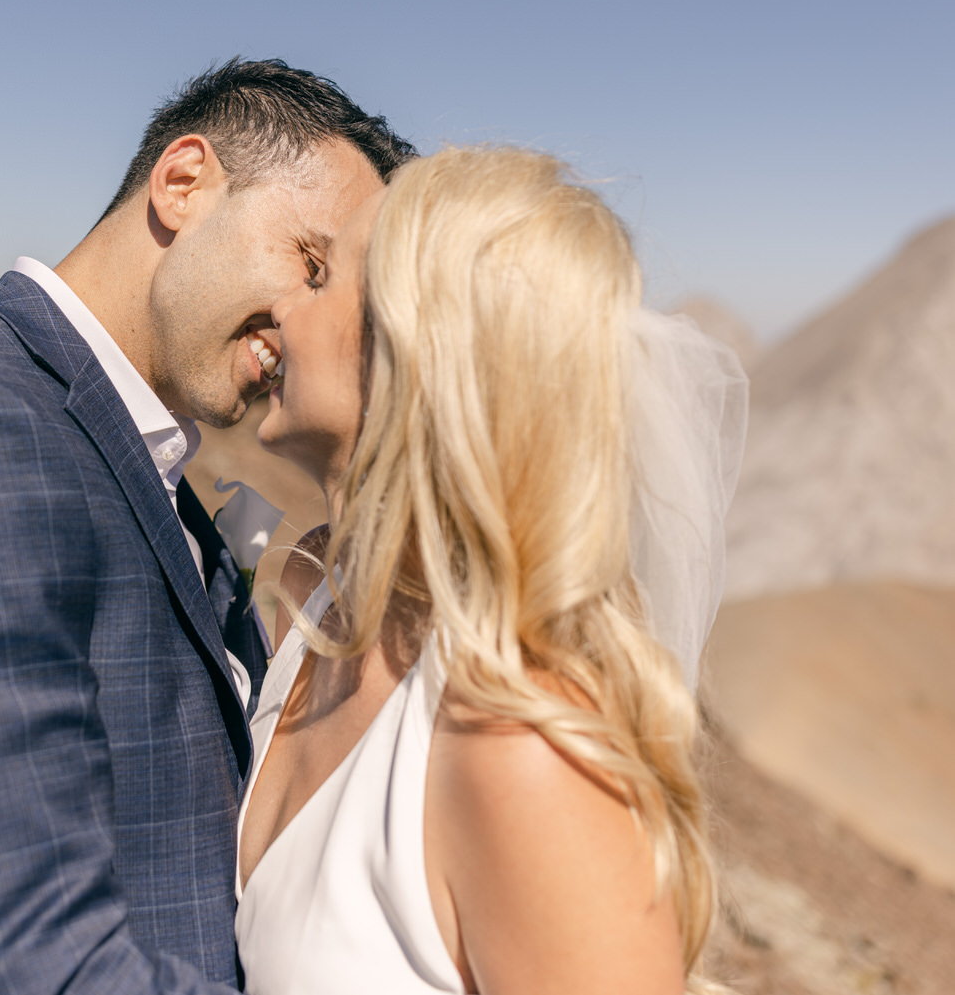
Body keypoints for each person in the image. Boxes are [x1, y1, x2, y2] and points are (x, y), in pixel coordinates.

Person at [0, 59, 415, 994]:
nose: (303, 323)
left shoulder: (137, 456)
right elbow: (30, 962)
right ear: (184, 182)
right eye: (310, 262)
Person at [235, 146, 747, 994]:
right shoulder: (313, 613)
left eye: (321, 278)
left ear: (412, 348)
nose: (281, 305)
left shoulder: (521, 748)